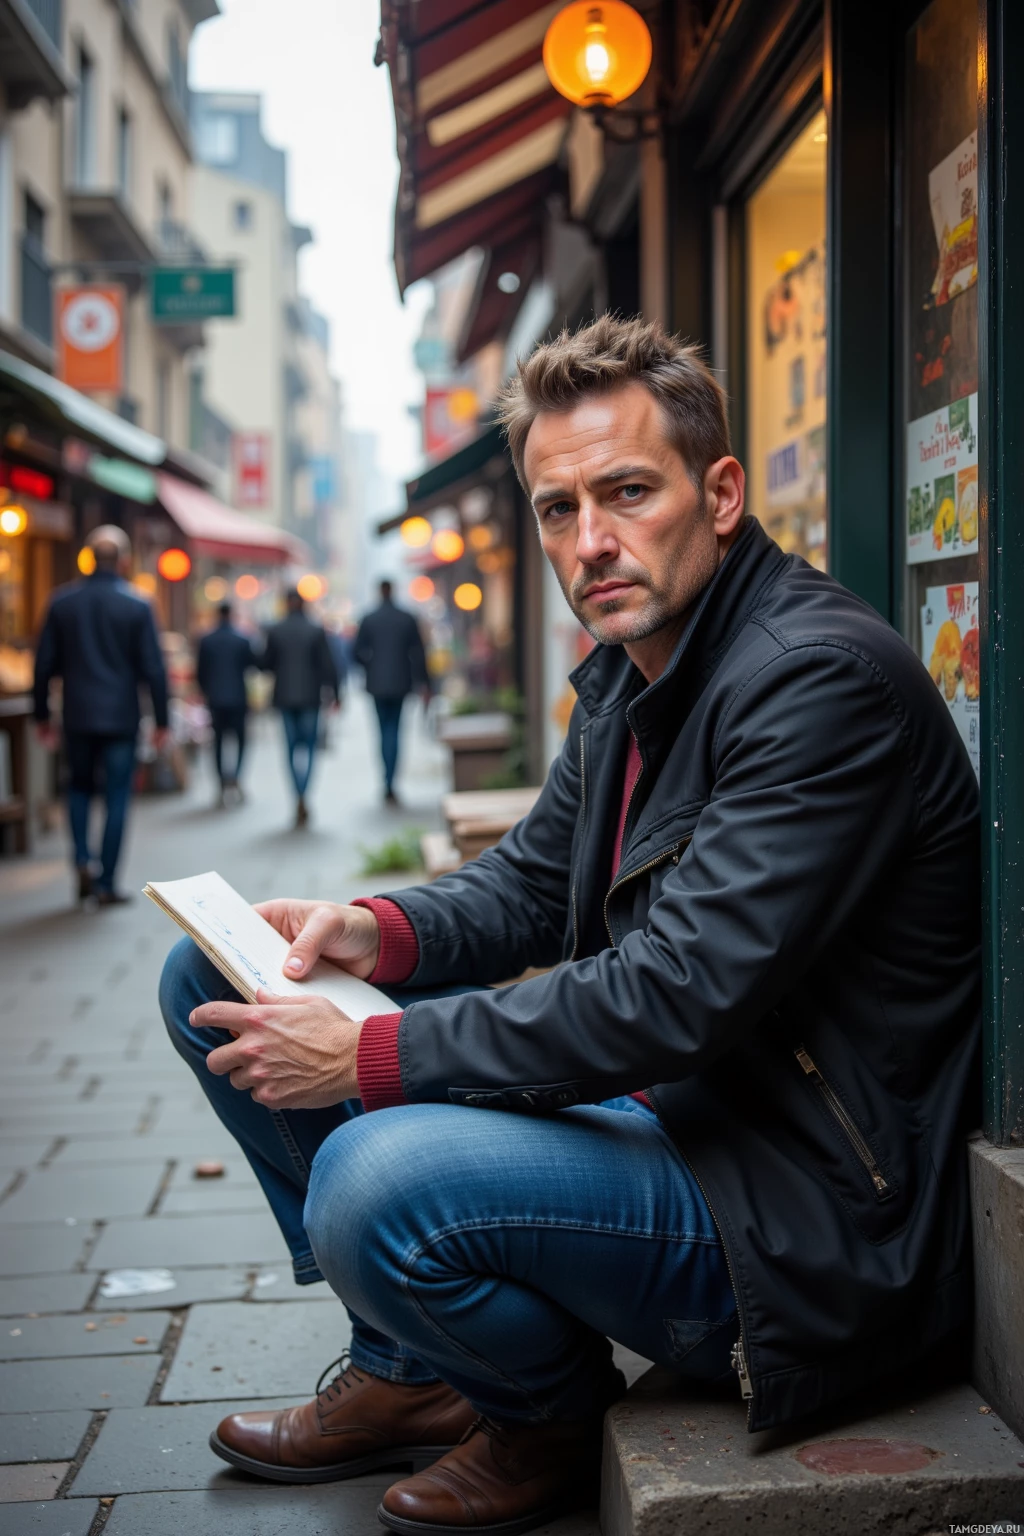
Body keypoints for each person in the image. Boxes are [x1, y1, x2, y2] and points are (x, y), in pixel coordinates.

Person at [160, 317, 980, 1536]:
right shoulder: (637, 664)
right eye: (557, 508)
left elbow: (670, 996)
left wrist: (373, 1058)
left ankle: (537, 1413)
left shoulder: (817, 682)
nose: (588, 540)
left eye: (626, 492)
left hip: (803, 1212)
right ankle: (413, 1371)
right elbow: (532, 889)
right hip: (684, 1117)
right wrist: (368, 934)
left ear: (719, 494)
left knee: (370, 1176)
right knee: (208, 976)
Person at [35, 524, 169, 906]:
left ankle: (81, 858)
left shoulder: (62, 603)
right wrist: (162, 721)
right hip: (121, 717)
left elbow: (43, 665)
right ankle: (107, 880)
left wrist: (42, 715)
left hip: (76, 714)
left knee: (76, 788)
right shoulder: (137, 604)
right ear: (124, 561)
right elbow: (154, 668)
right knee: (116, 796)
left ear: (88, 559)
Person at [261, 588, 339, 827]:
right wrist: (336, 694)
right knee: (310, 749)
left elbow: (265, 664)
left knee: (291, 749)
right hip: (310, 698)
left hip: (285, 697)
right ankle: (304, 792)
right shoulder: (315, 630)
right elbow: (328, 665)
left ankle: (297, 793)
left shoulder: (276, 630)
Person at [355, 579, 429, 804]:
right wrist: (425, 683)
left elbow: (356, 652)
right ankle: (391, 780)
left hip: (377, 684)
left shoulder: (369, 618)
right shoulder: (406, 618)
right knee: (395, 731)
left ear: (379, 591)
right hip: (400, 683)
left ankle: (386, 779)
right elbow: (419, 653)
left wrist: (371, 666)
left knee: (382, 731)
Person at [196, 602, 260, 806]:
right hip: (238, 698)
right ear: (231, 615)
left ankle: (222, 782)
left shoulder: (207, 640)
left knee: (217, 743)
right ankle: (236, 776)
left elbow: (200, 672)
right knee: (240, 741)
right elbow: (253, 665)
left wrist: (206, 691)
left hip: (215, 699)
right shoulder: (242, 639)